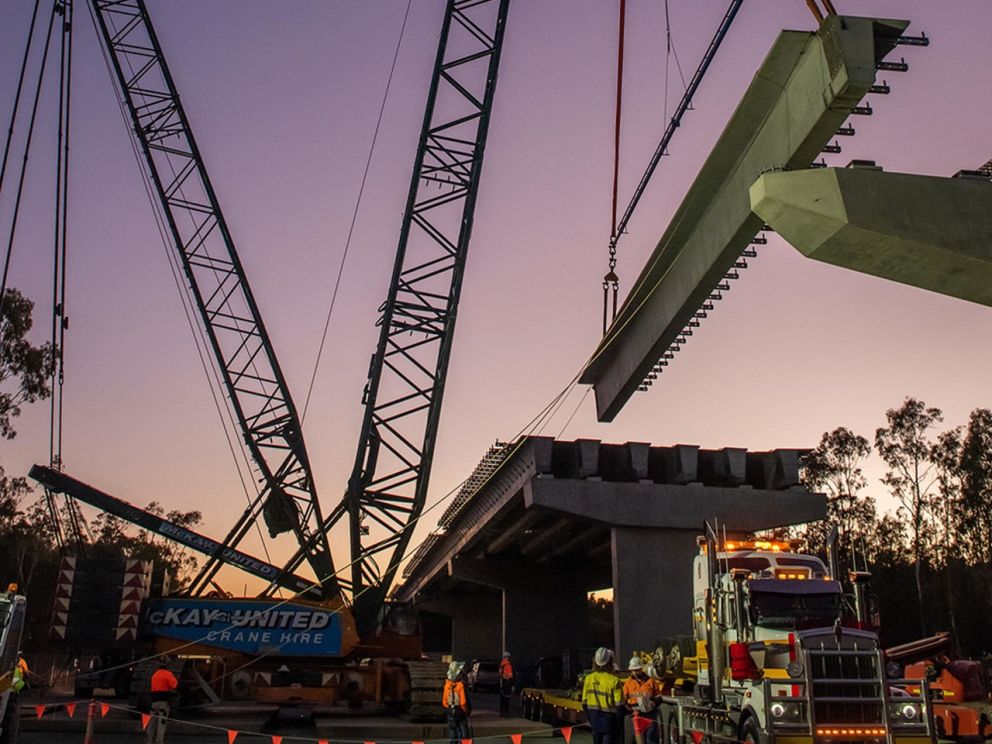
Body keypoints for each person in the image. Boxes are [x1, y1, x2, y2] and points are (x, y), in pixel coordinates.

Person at [582, 647, 623, 744]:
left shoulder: (588, 679)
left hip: (594, 719)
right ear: (610, 661)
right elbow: (619, 706)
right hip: (609, 721)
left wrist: (590, 719)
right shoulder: (614, 680)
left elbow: (584, 703)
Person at [622, 655, 662, 744]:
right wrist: (628, 708)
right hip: (636, 716)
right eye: (633, 670)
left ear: (641, 668)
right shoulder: (628, 684)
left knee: (651, 739)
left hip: (650, 715)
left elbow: (659, 698)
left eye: (637, 670)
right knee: (637, 741)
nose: (635, 672)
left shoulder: (651, 681)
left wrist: (653, 704)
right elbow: (624, 702)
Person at [147, 660, 178, 744]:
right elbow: (174, 685)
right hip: (163, 702)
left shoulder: (155, 674)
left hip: (154, 702)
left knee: (152, 722)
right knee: (162, 722)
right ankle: (159, 741)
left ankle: (149, 741)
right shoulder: (167, 674)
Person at [442, 661, 472, 744]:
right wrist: (466, 711)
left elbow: (444, 702)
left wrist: (449, 708)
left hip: (450, 712)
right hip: (460, 712)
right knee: (463, 733)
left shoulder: (447, 685)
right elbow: (463, 702)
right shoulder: (460, 686)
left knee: (453, 733)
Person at [499, 651, 514, 717]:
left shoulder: (501, 665)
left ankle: (502, 712)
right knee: (507, 699)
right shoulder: (508, 665)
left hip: (502, 683)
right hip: (507, 684)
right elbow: (510, 676)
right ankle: (506, 712)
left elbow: (500, 675)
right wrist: (513, 684)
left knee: (502, 699)